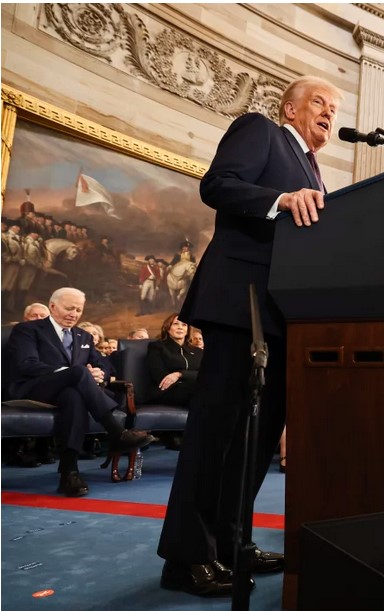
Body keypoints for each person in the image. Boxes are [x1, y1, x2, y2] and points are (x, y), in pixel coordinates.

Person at [157, 76, 341, 596]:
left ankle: (231, 540)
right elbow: (216, 185)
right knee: (216, 431)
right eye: (318, 103)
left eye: (334, 107)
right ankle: (186, 557)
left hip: (286, 313)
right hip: (242, 304)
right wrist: (280, 199)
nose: (328, 112)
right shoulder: (261, 130)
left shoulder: (315, 169)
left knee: (256, 439)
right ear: (291, 107)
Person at [6, 287, 155, 496]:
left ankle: (69, 472)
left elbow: (105, 365)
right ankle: (115, 431)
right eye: (69, 308)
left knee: (74, 397)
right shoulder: (28, 330)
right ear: (52, 306)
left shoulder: (83, 335)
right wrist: (72, 372)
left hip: (69, 392)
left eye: (78, 310)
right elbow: (26, 364)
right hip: (34, 388)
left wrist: (99, 373)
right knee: (77, 373)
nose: (74, 314)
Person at [145, 314, 203, 406]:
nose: (180, 327)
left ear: (188, 330)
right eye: (175, 324)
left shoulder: (198, 351)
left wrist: (179, 374)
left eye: (184, 325)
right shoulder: (157, 347)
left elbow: (206, 374)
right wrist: (191, 377)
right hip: (165, 392)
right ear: (167, 328)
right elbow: (160, 376)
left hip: (193, 390)